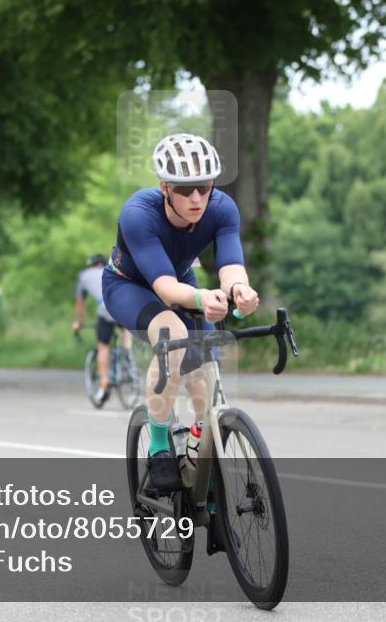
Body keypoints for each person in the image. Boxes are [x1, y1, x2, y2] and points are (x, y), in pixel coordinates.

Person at [103, 133, 259, 491]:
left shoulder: (222, 208)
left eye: (204, 188)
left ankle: (197, 454)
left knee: (203, 374)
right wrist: (204, 298)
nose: (196, 198)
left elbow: (231, 264)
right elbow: (165, 289)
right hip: (131, 286)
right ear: (165, 187)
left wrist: (239, 290)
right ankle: (159, 445)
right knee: (172, 336)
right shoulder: (138, 214)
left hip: (183, 281)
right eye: (185, 189)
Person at [74, 254, 121, 405]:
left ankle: (104, 384)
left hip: (106, 307)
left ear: (91, 265)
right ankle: (128, 358)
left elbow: (80, 303)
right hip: (124, 303)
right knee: (125, 332)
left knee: (103, 345)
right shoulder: (112, 269)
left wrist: (79, 323)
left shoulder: (84, 276)